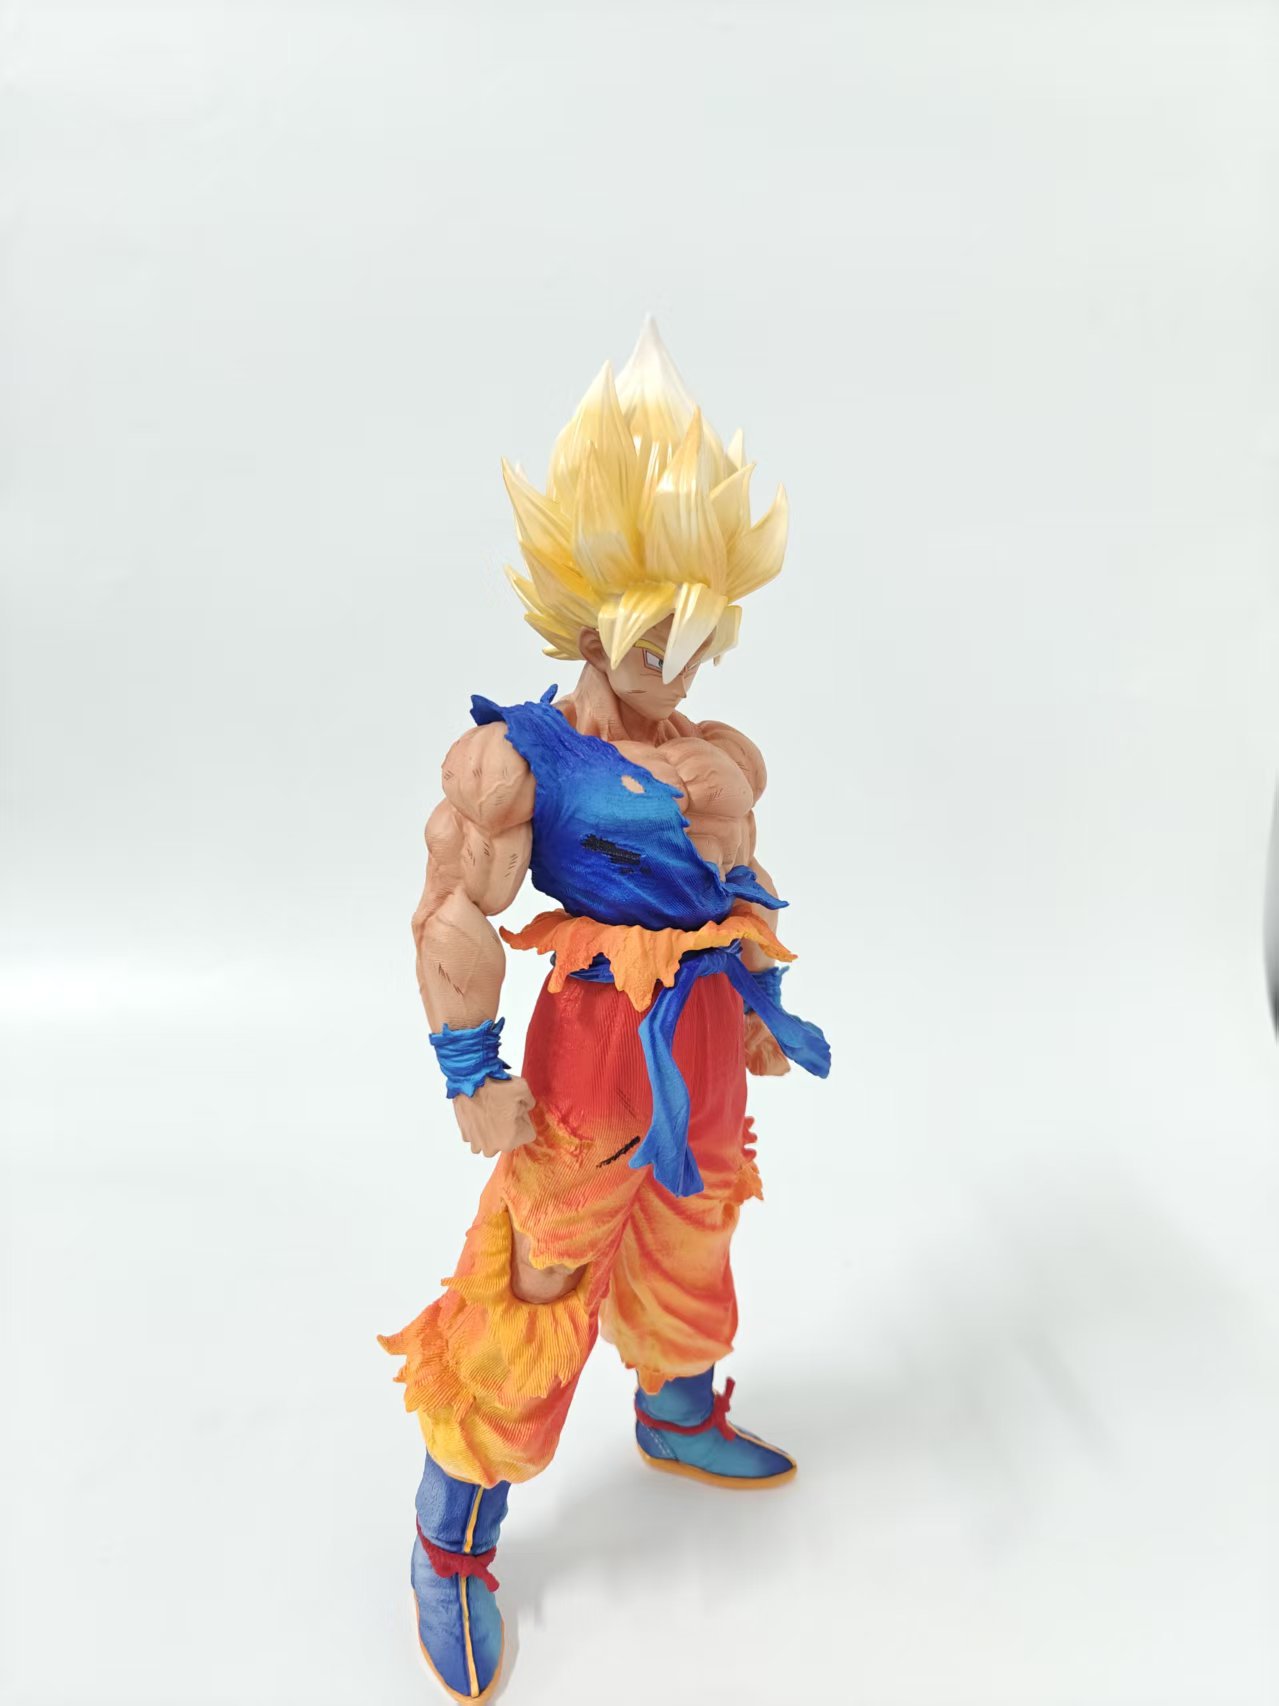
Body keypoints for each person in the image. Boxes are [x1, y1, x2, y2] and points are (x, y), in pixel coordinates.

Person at [381, 319, 830, 1702]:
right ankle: (450, 1540)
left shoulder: (715, 752)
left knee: (695, 1233)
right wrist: (470, 1069)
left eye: (699, 643)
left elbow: (739, 884)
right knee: (534, 1282)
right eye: (656, 646)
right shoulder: (515, 760)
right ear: (590, 627)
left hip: (700, 1049)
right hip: (585, 1060)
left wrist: (758, 999)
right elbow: (454, 911)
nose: (680, 674)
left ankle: (675, 1409)